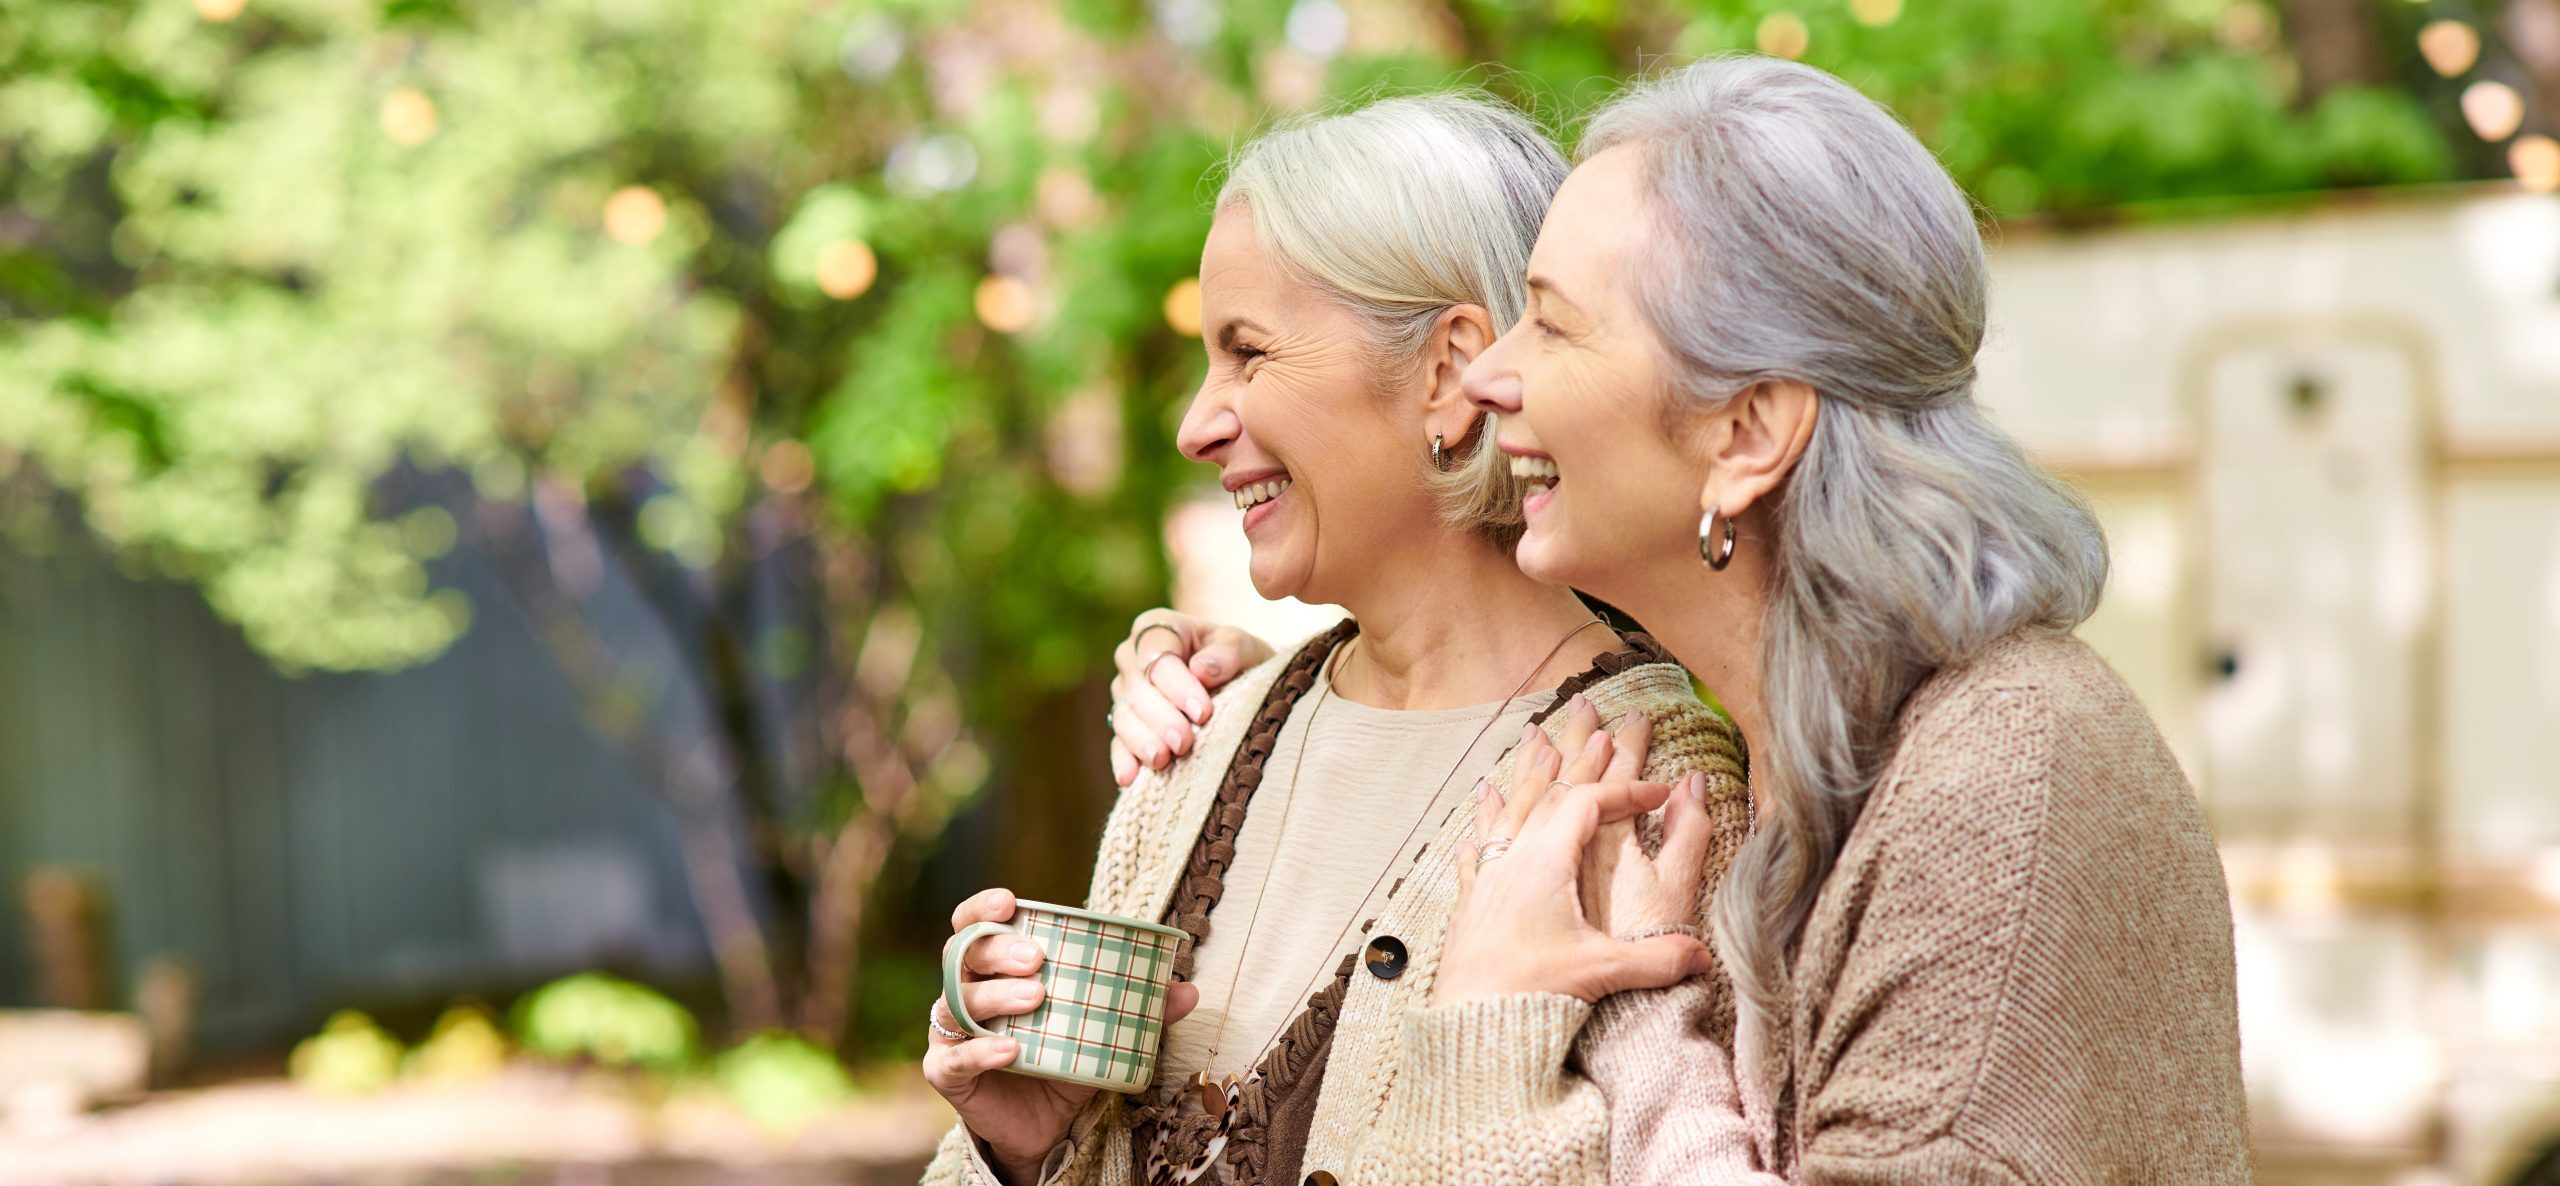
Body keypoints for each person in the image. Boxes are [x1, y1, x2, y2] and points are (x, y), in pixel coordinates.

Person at [1111, 57, 2250, 1183]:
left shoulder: (1992, 783)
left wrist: (1517, 1025)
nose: (1491, 374)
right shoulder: (1822, 766)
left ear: (1746, 433)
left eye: (1551, 328)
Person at [919, 93, 1751, 1186]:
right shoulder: (1195, 751)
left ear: (1450, 368)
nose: (1194, 423)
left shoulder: (1650, 799)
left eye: (1247, 353)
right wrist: (1020, 1151)